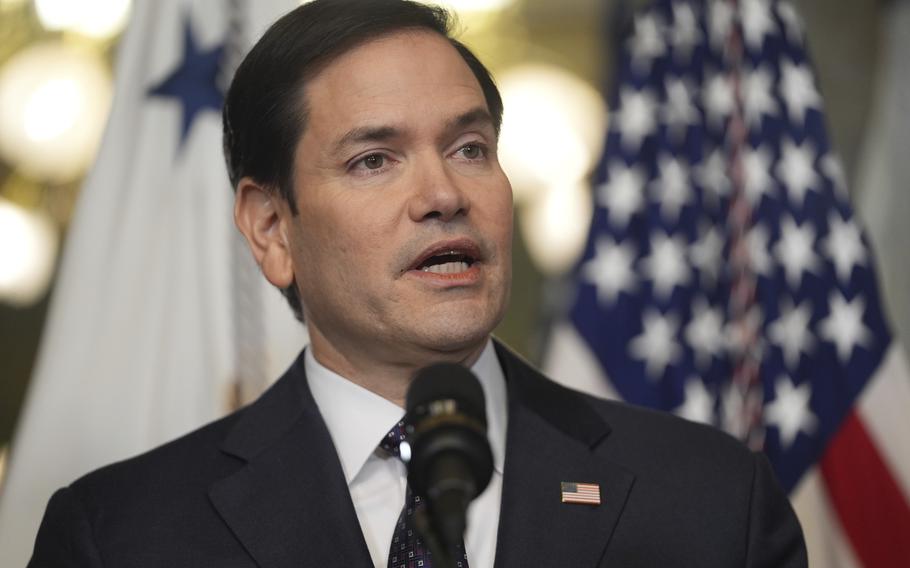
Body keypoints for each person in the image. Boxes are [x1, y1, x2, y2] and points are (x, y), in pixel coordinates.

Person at [29, 1, 807, 566]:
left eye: (470, 148)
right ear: (271, 228)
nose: (444, 194)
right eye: (374, 159)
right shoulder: (123, 535)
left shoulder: (710, 503)